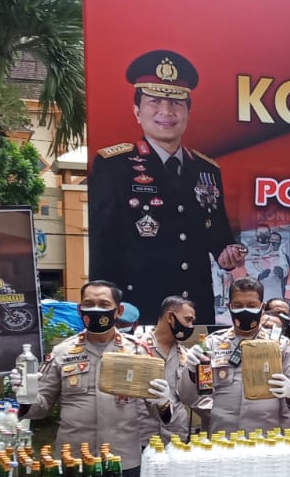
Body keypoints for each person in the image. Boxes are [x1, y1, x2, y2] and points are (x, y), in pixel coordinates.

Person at [16, 280, 186, 477]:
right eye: (89, 305)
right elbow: (41, 406)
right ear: (80, 309)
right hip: (71, 465)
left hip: (123, 466)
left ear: (118, 311)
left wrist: (164, 403)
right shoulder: (64, 352)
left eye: (103, 305)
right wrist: (23, 398)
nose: (96, 311)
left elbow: (163, 415)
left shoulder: (138, 353)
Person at [87, 49, 244, 321]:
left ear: (188, 112)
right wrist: (107, 311)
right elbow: (103, 246)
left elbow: (218, 236)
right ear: (137, 111)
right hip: (140, 311)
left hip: (195, 309)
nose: (166, 111)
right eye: (154, 101)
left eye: (176, 103)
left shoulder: (207, 169)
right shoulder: (114, 165)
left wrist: (227, 252)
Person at [138, 295, 200, 477]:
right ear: (169, 316)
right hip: (136, 442)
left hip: (171, 443)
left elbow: (190, 400)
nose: (190, 327)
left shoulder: (187, 357)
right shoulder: (134, 346)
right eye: (187, 320)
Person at [199, 278, 290, 437]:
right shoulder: (211, 343)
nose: (245, 310)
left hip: (269, 437)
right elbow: (200, 392)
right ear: (229, 307)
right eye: (238, 306)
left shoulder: (282, 345)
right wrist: (212, 412)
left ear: (262, 308)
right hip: (224, 437)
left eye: (251, 306)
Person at [245, 225, 288, 303]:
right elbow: (248, 269)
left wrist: (281, 272)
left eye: (265, 232)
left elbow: (285, 267)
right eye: (260, 233)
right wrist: (259, 275)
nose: (263, 235)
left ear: (270, 234)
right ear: (255, 235)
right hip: (256, 293)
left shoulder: (278, 251)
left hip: (274, 294)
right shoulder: (250, 252)